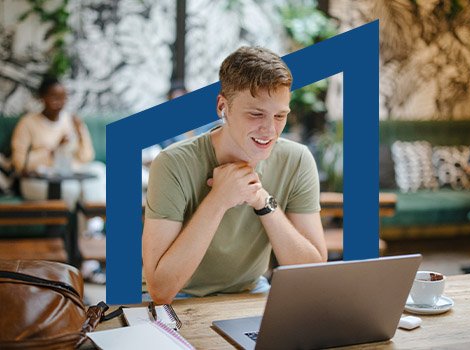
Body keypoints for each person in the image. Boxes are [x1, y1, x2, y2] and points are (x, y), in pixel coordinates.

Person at [143, 46, 327, 304]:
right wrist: (219, 200)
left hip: (251, 293)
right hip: (181, 299)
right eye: (256, 114)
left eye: (280, 116)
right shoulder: (172, 163)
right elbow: (160, 290)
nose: (270, 130)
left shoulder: (296, 160)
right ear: (223, 107)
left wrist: (263, 202)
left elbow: (312, 276)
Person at [11, 76, 106, 209]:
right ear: (42, 98)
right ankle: (69, 227)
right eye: (54, 97)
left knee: (99, 170)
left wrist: (80, 134)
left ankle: (94, 226)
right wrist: (54, 149)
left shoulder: (72, 121)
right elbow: (19, 164)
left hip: (70, 174)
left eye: (63, 97)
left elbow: (87, 158)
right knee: (72, 188)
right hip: (39, 181)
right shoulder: (27, 123)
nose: (60, 102)